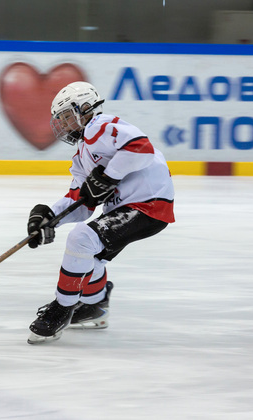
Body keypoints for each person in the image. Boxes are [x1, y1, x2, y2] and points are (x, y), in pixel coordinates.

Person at [26, 81, 175, 344]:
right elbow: (81, 202)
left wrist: (108, 176)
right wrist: (50, 217)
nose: (63, 125)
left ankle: (61, 309)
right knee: (89, 261)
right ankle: (95, 306)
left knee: (81, 238)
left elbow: (141, 148)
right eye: (60, 119)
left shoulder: (101, 126)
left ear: (84, 108)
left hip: (148, 203)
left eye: (66, 116)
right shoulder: (81, 154)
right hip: (126, 208)